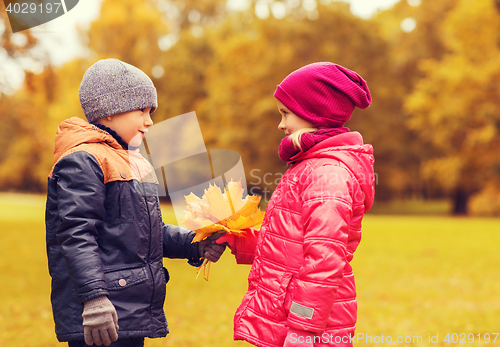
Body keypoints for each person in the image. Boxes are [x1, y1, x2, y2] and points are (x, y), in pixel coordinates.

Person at [45, 58, 225, 347]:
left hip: (127, 309)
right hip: (101, 315)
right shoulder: (84, 160)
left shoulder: (133, 163)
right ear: (110, 111)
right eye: (142, 110)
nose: (149, 121)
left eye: (150, 112)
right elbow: (76, 235)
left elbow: (146, 231)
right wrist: (94, 300)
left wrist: (195, 243)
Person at [217, 62, 375, 347]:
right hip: (288, 315)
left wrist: (303, 328)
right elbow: (290, 244)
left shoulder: (328, 174)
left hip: (309, 327)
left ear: (314, 114)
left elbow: (324, 259)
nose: (281, 124)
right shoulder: (309, 165)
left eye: (285, 113)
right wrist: (237, 240)